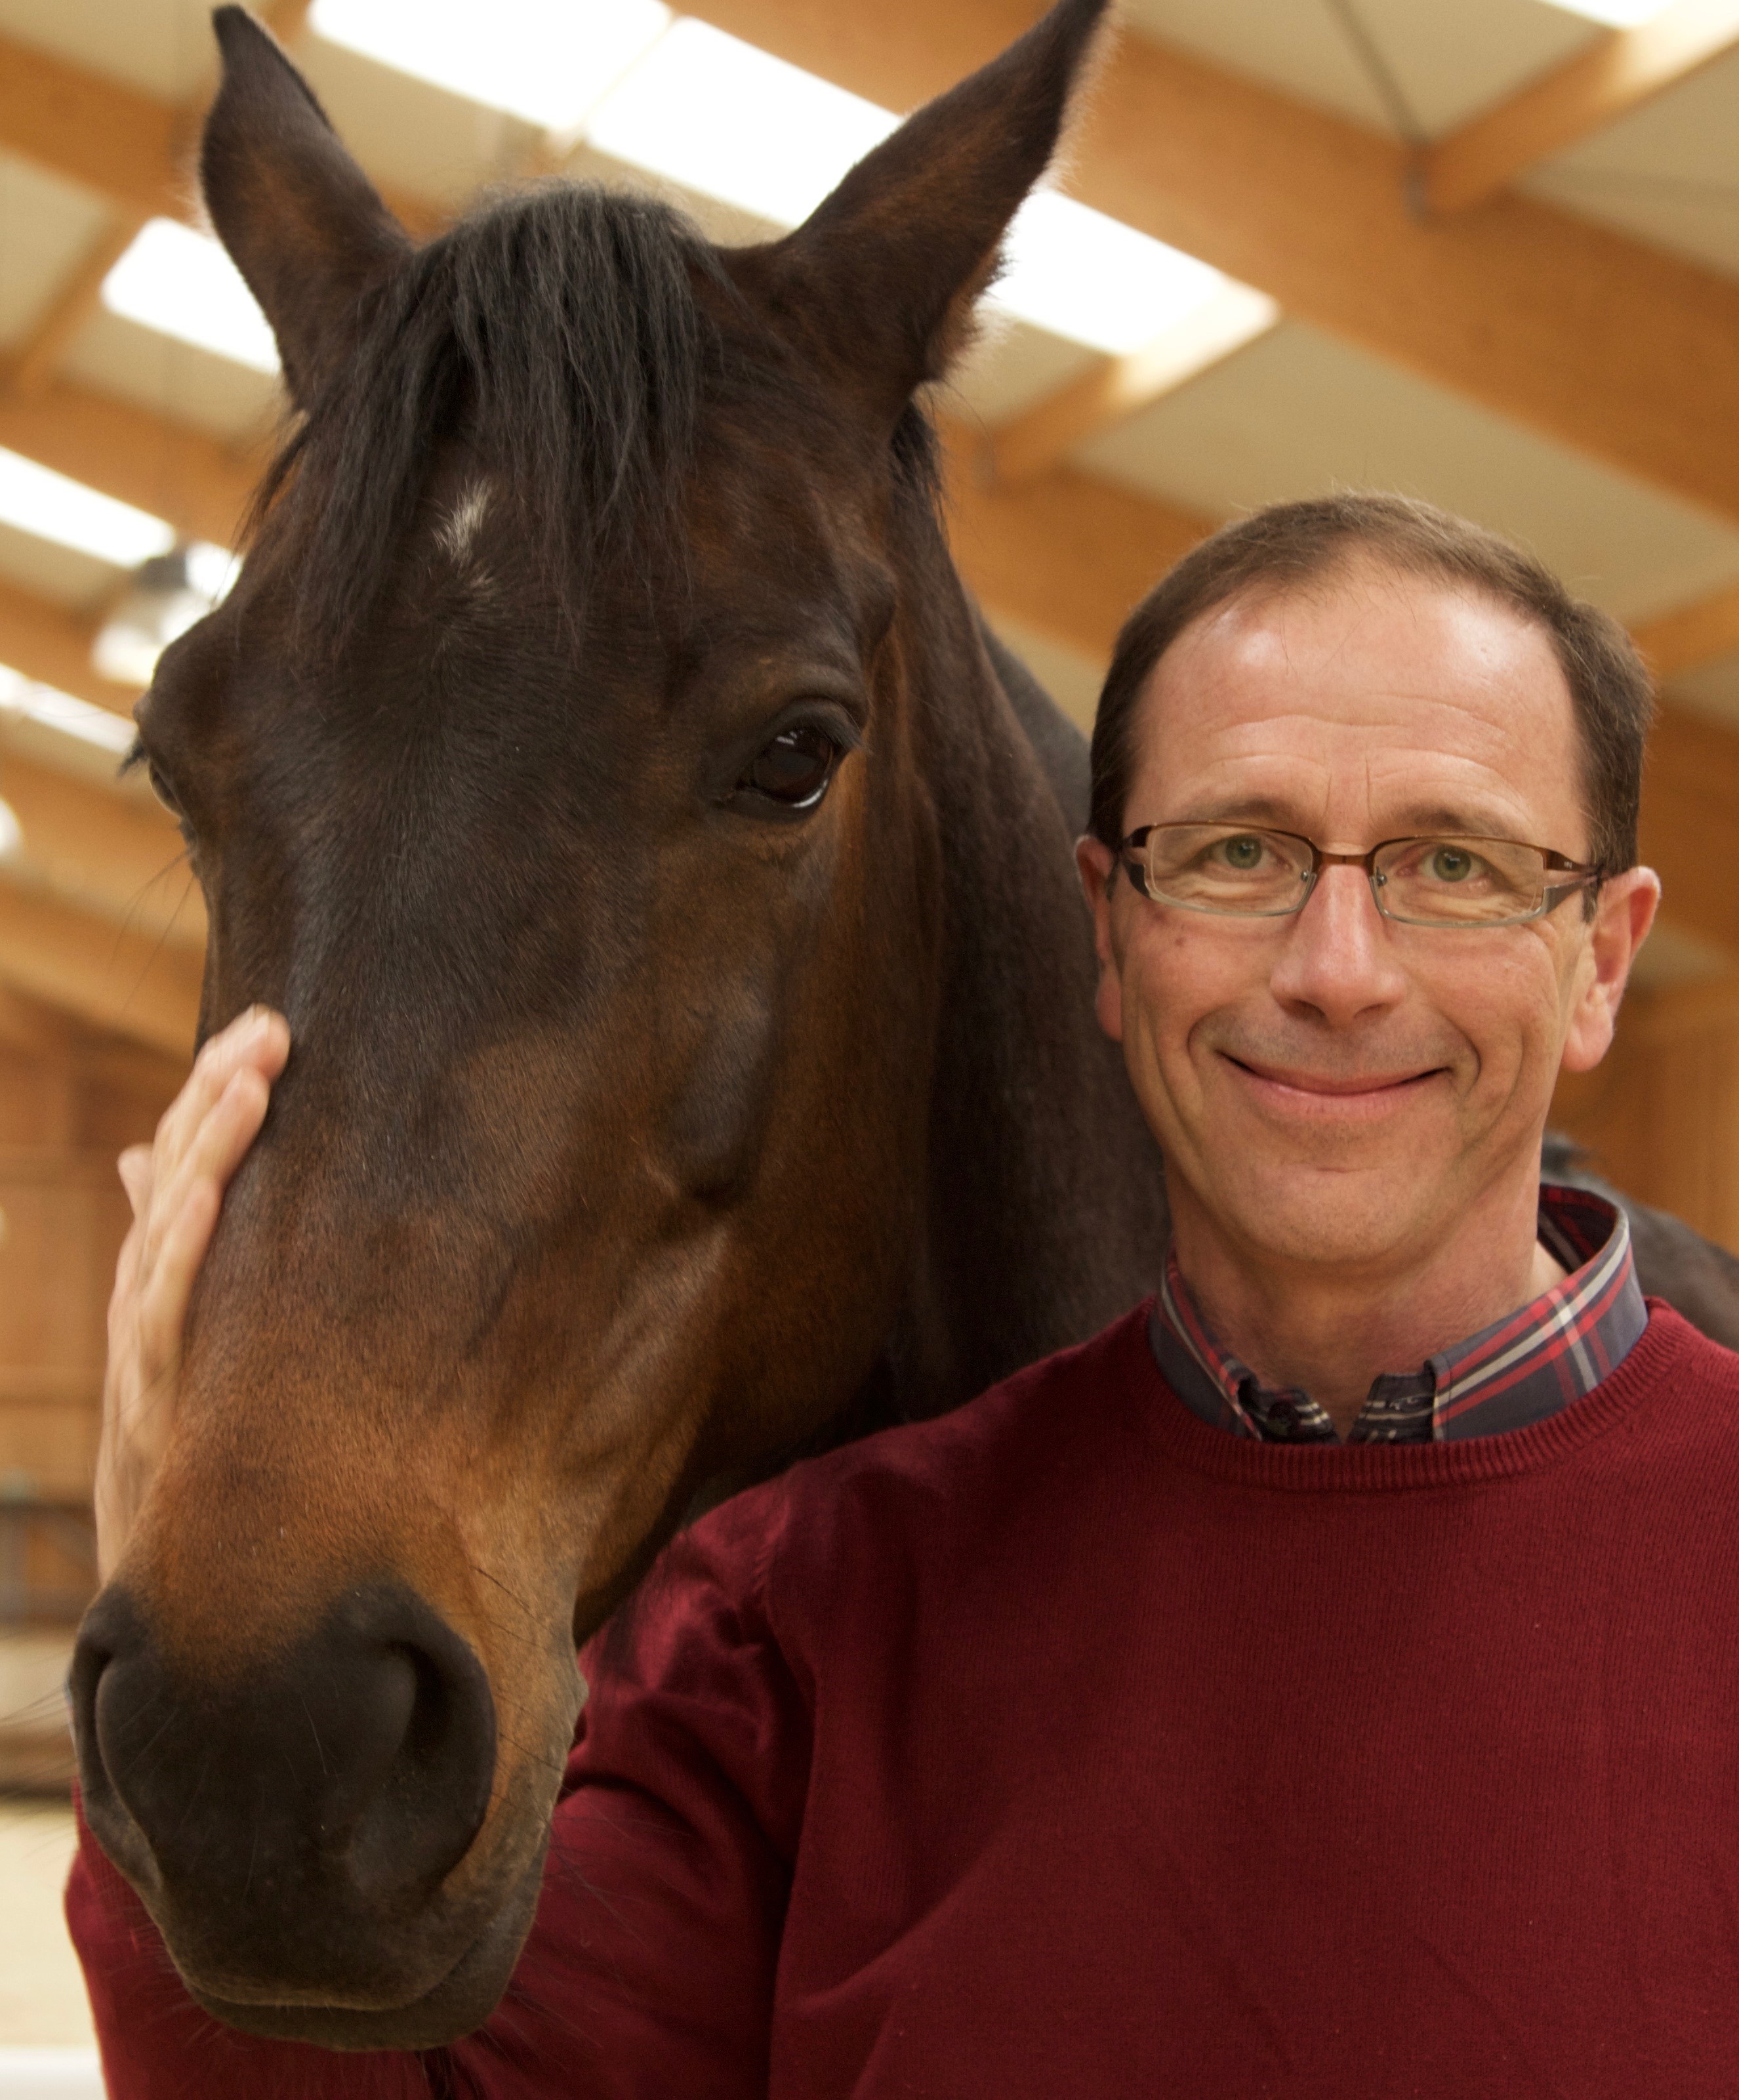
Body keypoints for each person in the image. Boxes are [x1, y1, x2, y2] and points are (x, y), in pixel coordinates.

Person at [69, 493, 1739, 2097]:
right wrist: (191, 1632)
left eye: (1455, 864)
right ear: (1109, 924)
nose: (1338, 966)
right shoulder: (800, 1619)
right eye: (1238, 851)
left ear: (1601, 956)